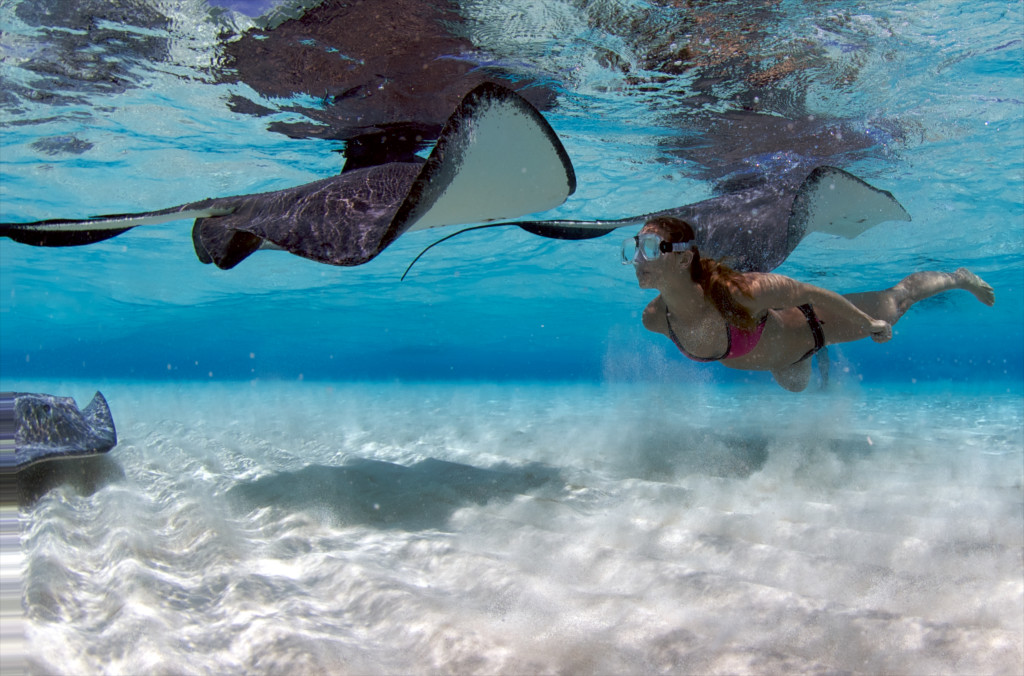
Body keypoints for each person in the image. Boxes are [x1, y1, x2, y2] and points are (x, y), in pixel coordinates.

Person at [625, 216, 995, 391]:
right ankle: (811, 359)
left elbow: (811, 293)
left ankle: (957, 278)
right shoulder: (655, 319)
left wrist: (868, 324)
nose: (638, 259)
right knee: (796, 386)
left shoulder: (739, 291)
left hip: (816, 326)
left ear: (682, 258)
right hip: (784, 360)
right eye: (634, 250)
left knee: (898, 302)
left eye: (650, 249)